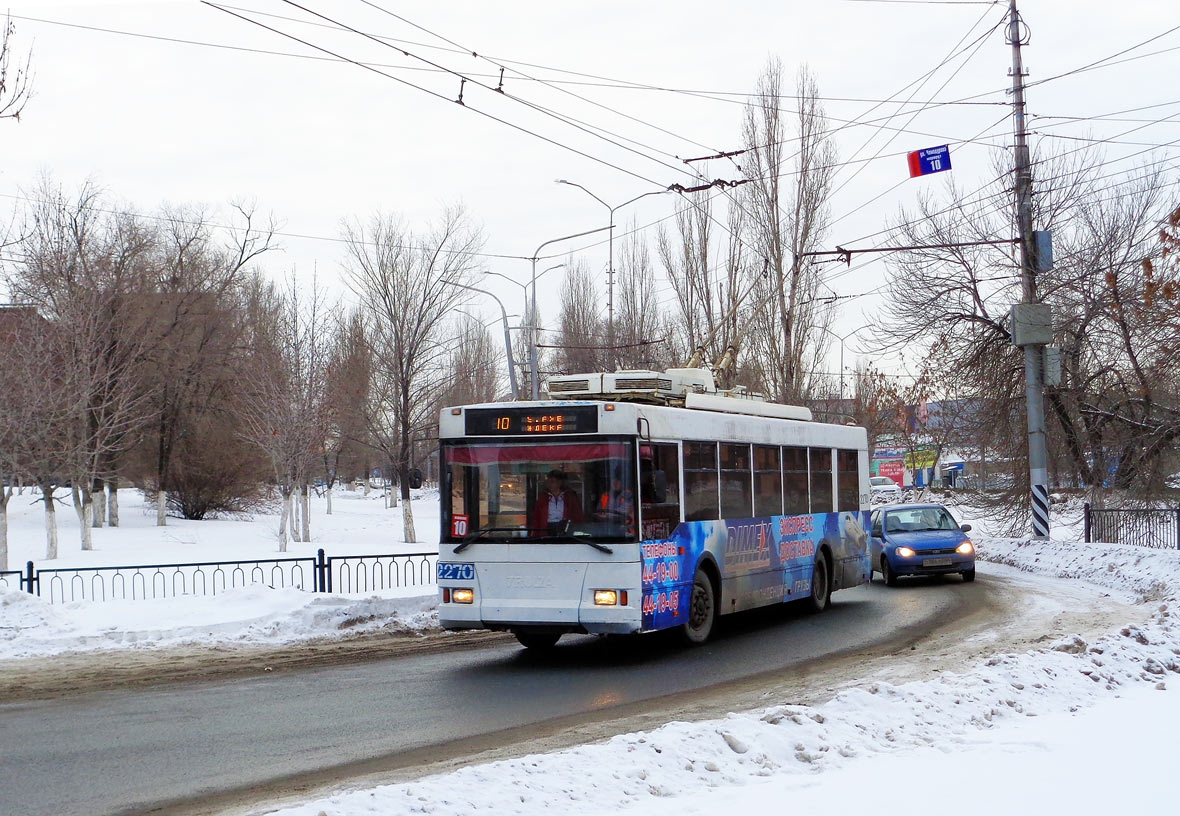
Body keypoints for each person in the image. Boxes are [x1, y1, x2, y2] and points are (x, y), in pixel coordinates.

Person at [531, 469, 584, 535]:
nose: (549, 484)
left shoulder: (570, 496)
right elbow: (537, 517)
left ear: (559, 483)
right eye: (548, 482)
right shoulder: (543, 497)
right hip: (546, 529)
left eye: (552, 482)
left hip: (565, 529)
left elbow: (577, 515)